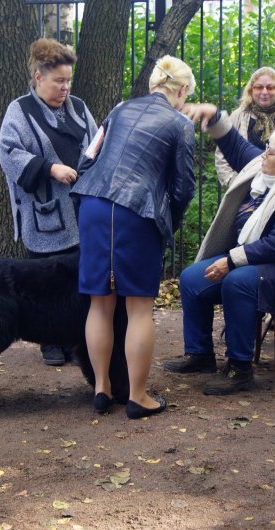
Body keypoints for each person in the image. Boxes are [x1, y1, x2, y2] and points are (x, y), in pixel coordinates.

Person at [163, 104, 275, 396]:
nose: (263, 153)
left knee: (238, 282)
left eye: (270, 151)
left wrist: (231, 260)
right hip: (263, 263)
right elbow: (237, 147)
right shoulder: (269, 169)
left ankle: (240, 368)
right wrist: (214, 118)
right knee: (192, 278)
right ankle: (200, 354)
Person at [71, 56, 196, 419]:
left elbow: (87, 157)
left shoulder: (119, 109)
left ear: (153, 84)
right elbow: (184, 188)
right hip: (137, 212)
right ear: (182, 90)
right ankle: (138, 397)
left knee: (100, 303)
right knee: (139, 308)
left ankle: (101, 389)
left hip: (94, 205)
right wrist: (165, 223)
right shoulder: (179, 123)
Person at [0, 38, 97, 367]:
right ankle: (49, 342)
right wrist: (50, 168)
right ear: (39, 77)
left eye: (68, 80)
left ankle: (76, 338)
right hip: (45, 216)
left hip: (82, 214)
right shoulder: (19, 112)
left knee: (77, 283)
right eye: (59, 81)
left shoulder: (80, 109)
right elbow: (9, 152)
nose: (65, 87)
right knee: (44, 284)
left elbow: (97, 144)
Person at [214, 67, 275, 187]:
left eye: (270, 87)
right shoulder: (238, 116)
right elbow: (222, 155)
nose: (264, 92)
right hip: (245, 187)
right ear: (251, 90)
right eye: (259, 87)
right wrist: (234, 182)